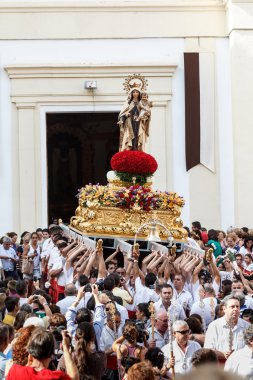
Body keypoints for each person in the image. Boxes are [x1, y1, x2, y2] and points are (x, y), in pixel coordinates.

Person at [6, 327, 79, 379]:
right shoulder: (57, 377)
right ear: (51, 356)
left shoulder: (14, 371)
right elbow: (74, 377)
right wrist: (65, 348)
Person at [204, 294, 250, 360]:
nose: (236, 309)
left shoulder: (247, 326)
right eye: (232, 307)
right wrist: (223, 354)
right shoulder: (214, 326)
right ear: (224, 309)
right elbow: (208, 350)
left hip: (241, 366)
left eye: (237, 306)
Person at [118, 87, 150, 151]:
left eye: (137, 92)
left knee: (138, 137)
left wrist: (145, 115)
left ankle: (137, 149)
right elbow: (122, 114)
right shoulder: (128, 103)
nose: (135, 94)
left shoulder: (142, 103)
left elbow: (147, 113)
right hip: (130, 123)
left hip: (139, 123)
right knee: (130, 138)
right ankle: (129, 149)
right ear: (131, 93)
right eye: (134, 92)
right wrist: (125, 115)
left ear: (139, 94)